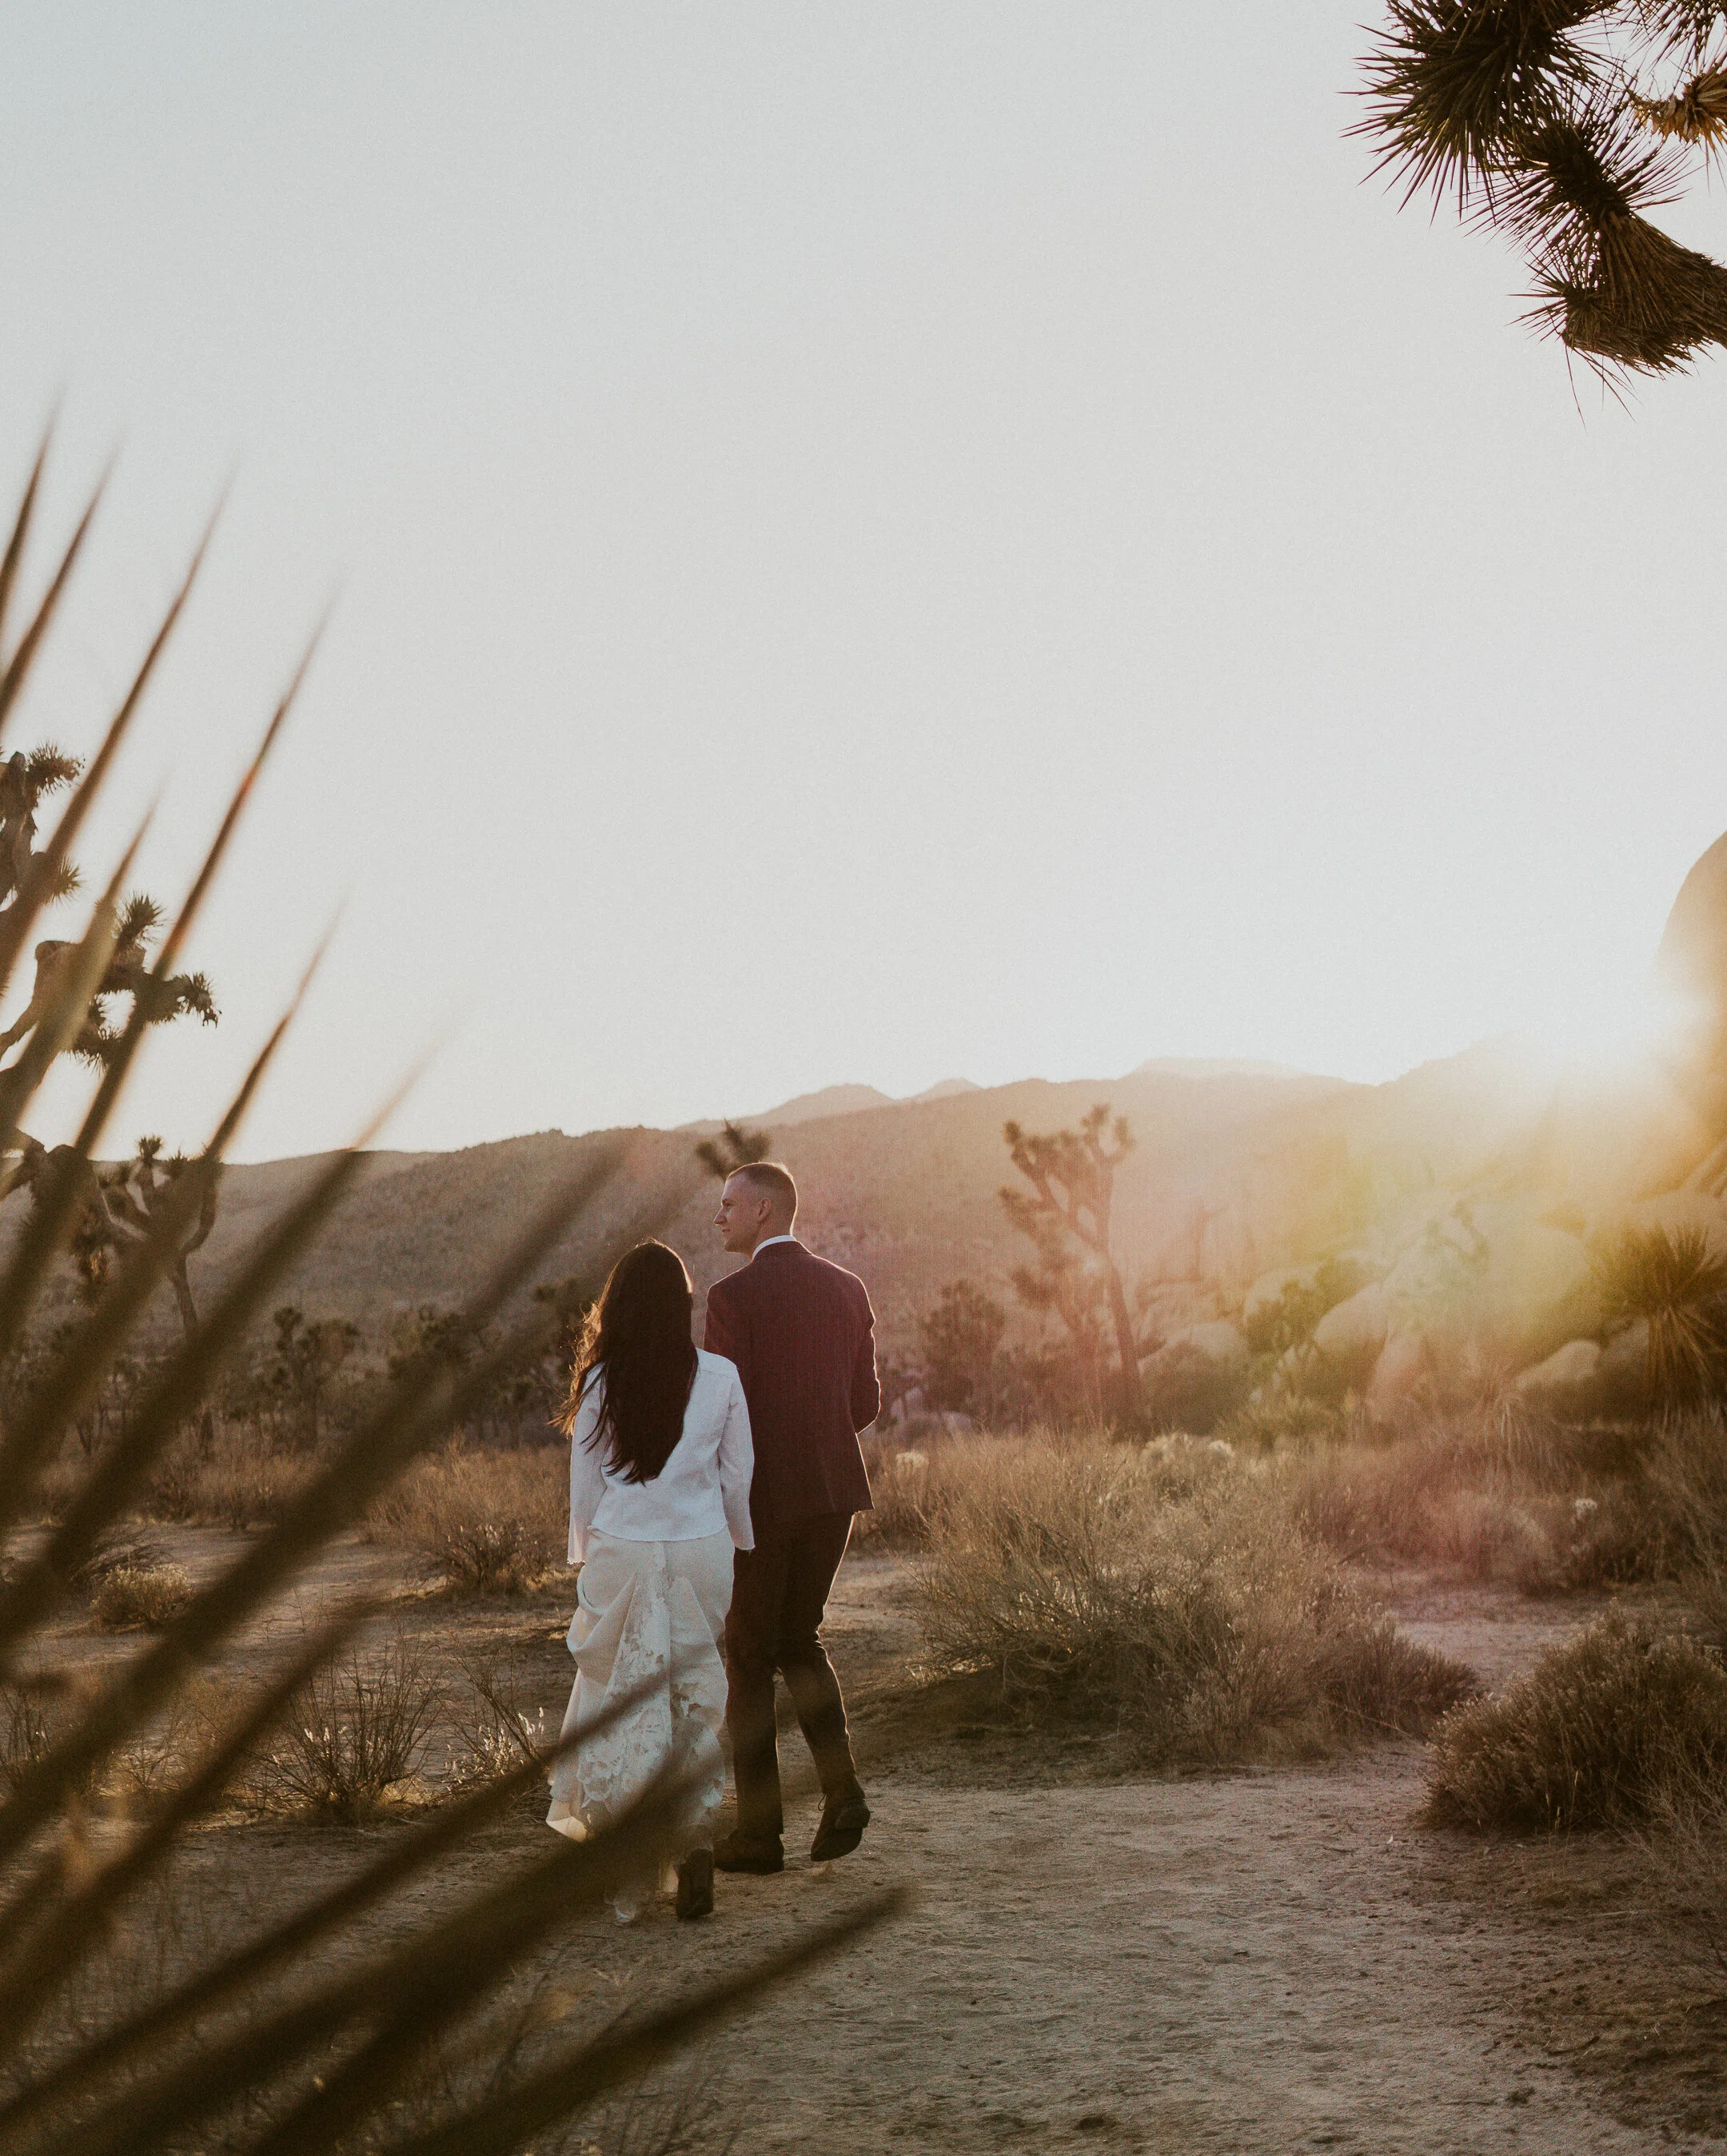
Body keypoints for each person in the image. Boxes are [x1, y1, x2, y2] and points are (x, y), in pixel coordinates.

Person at [546, 1240, 754, 1923]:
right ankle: (692, 1837)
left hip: (626, 1548)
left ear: (621, 1307)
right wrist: (734, 1538)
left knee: (620, 1695)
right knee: (691, 1694)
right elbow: (736, 1476)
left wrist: (585, 1553)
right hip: (700, 1547)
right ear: (683, 1306)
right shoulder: (722, 1376)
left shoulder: (602, 1381)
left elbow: (585, 1487)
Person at [704, 1161, 879, 1873]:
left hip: (763, 1498)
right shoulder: (849, 1288)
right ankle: (842, 1794)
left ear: (766, 1212)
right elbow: (864, 1403)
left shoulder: (731, 1297)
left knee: (748, 1653)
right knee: (799, 1639)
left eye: (729, 1205)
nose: (719, 1218)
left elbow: (720, 1408)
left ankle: (758, 1834)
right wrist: (820, 1436)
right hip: (835, 1490)